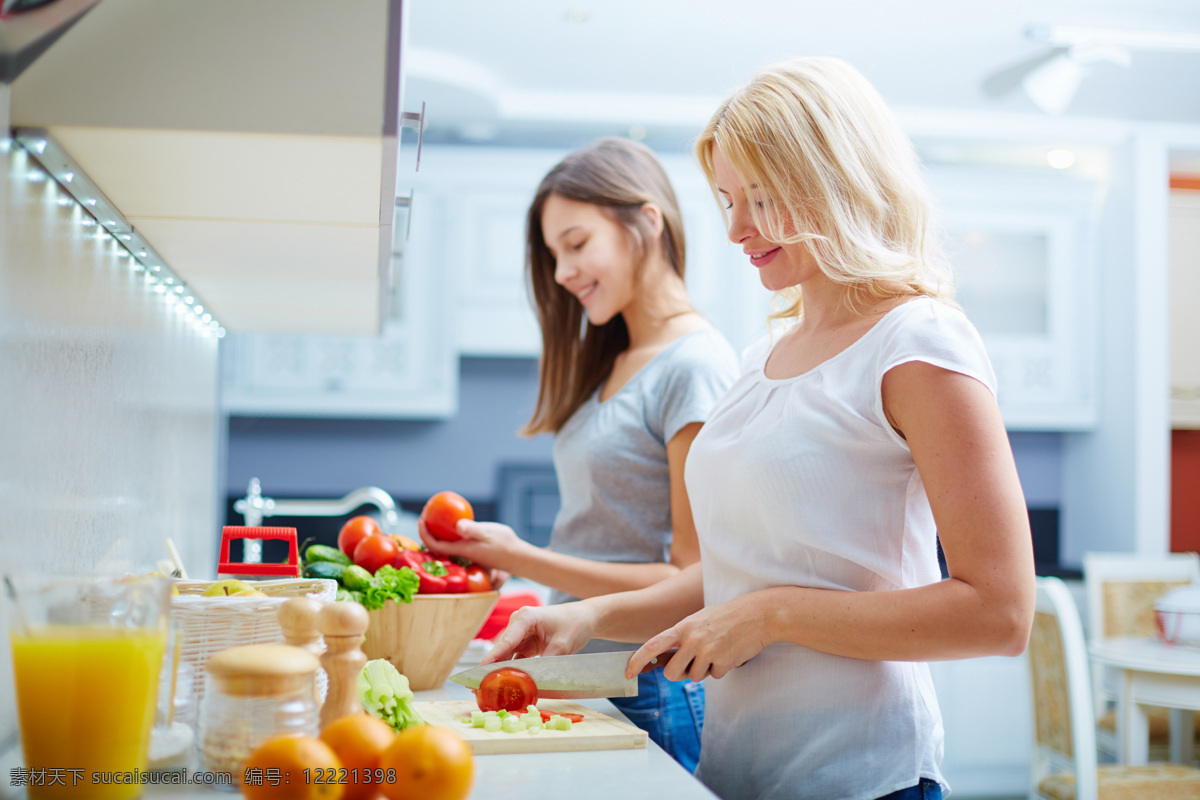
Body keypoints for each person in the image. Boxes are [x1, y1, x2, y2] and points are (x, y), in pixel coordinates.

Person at [476, 58, 1037, 800]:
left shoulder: (918, 340)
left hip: (862, 776)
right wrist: (591, 615)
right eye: (728, 200)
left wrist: (771, 616)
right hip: (738, 769)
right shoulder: (763, 356)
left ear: (834, 180)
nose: (736, 229)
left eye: (762, 199)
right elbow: (743, 572)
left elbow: (999, 613)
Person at [419, 137, 740, 772]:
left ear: (646, 223)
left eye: (576, 243)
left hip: (644, 679)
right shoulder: (615, 359)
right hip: (588, 668)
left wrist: (522, 556)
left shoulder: (694, 366)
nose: (563, 272)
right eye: (553, 254)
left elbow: (693, 577)